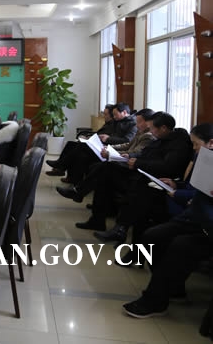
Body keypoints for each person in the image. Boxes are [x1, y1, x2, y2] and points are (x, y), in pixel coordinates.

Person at [86, 112, 192, 240]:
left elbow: (167, 167)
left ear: (163, 128)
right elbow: (144, 153)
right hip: (143, 174)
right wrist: (131, 157)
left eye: (152, 128)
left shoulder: (178, 145)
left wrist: (138, 163)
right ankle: (101, 220)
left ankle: (120, 228)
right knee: (106, 170)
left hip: (159, 182)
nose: (150, 131)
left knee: (137, 188)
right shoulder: (161, 139)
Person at [123, 189, 213, 318]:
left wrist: (194, 200)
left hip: (206, 219)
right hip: (200, 215)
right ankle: (174, 289)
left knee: (181, 245)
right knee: (153, 236)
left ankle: (155, 300)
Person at [56, 108, 156, 203]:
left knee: (98, 164)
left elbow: (134, 152)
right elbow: (127, 145)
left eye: (139, 122)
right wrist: (109, 148)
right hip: (120, 157)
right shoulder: (139, 131)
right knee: (84, 155)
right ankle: (78, 189)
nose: (137, 124)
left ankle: (74, 186)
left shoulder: (148, 136)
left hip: (129, 165)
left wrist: (111, 152)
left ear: (149, 122)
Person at [46, 103, 137, 183]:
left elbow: (127, 140)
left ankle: (61, 166)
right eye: (113, 115)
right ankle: (66, 171)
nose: (114, 117)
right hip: (105, 145)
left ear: (124, 112)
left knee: (81, 147)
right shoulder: (118, 121)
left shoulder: (132, 125)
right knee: (76, 147)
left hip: (111, 149)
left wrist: (108, 139)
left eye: (115, 114)